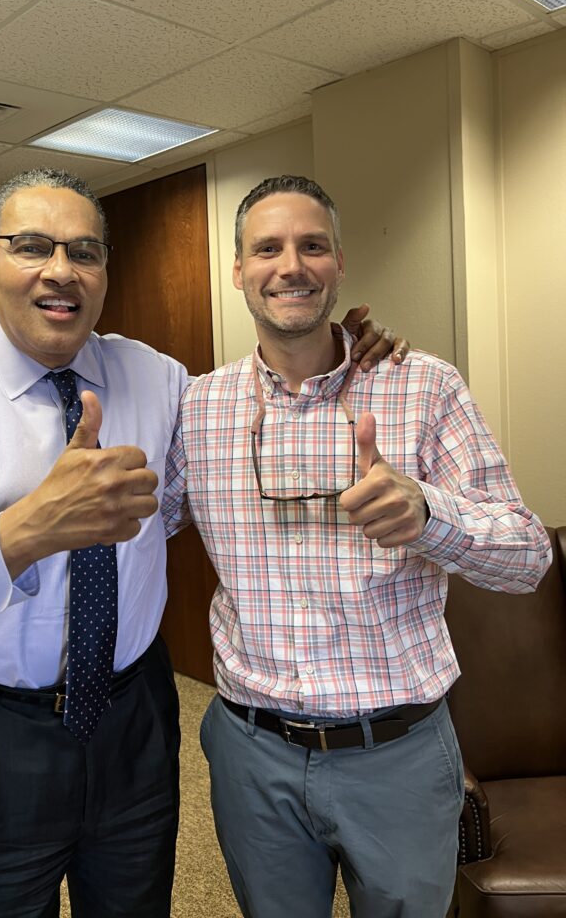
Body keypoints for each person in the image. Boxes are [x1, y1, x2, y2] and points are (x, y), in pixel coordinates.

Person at [0, 168, 404, 918]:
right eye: (31, 246)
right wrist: (22, 534)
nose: (61, 269)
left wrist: (344, 349)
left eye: (85, 251)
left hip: (134, 719)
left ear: (104, 273)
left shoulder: (156, 378)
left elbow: (253, 424)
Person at [162, 174, 552, 918]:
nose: (291, 266)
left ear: (339, 263)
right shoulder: (198, 405)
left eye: (312, 246)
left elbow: (528, 557)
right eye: (267, 249)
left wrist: (428, 514)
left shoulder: (423, 386)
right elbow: (146, 526)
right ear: (238, 270)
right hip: (254, 752)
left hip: (398, 753)